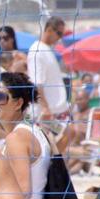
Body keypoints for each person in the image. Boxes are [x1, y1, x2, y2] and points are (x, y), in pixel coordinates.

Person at [26, 16, 71, 151]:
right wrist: (45, 108)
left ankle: (53, 166)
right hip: (44, 113)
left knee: (66, 136)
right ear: (49, 30)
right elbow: (37, 83)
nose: (60, 38)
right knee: (49, 146)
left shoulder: (46, 49)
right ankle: (51, 167)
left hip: (54, 111)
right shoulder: (37, 50)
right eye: (59, 33)